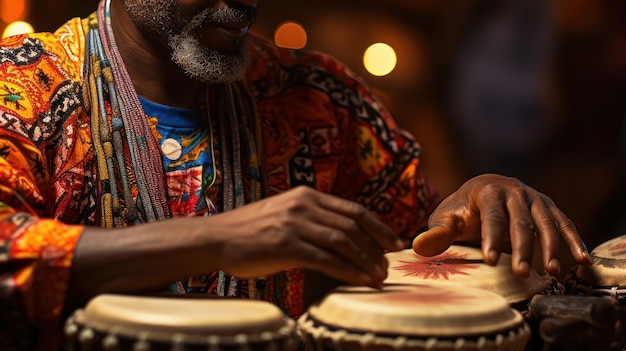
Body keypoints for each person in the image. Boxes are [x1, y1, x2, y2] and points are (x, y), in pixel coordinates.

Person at [0, 0, 591, 350]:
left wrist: (477, 199)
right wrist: (223, 237)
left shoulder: (317, 97)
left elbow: (422, 237)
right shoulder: (22, 91)